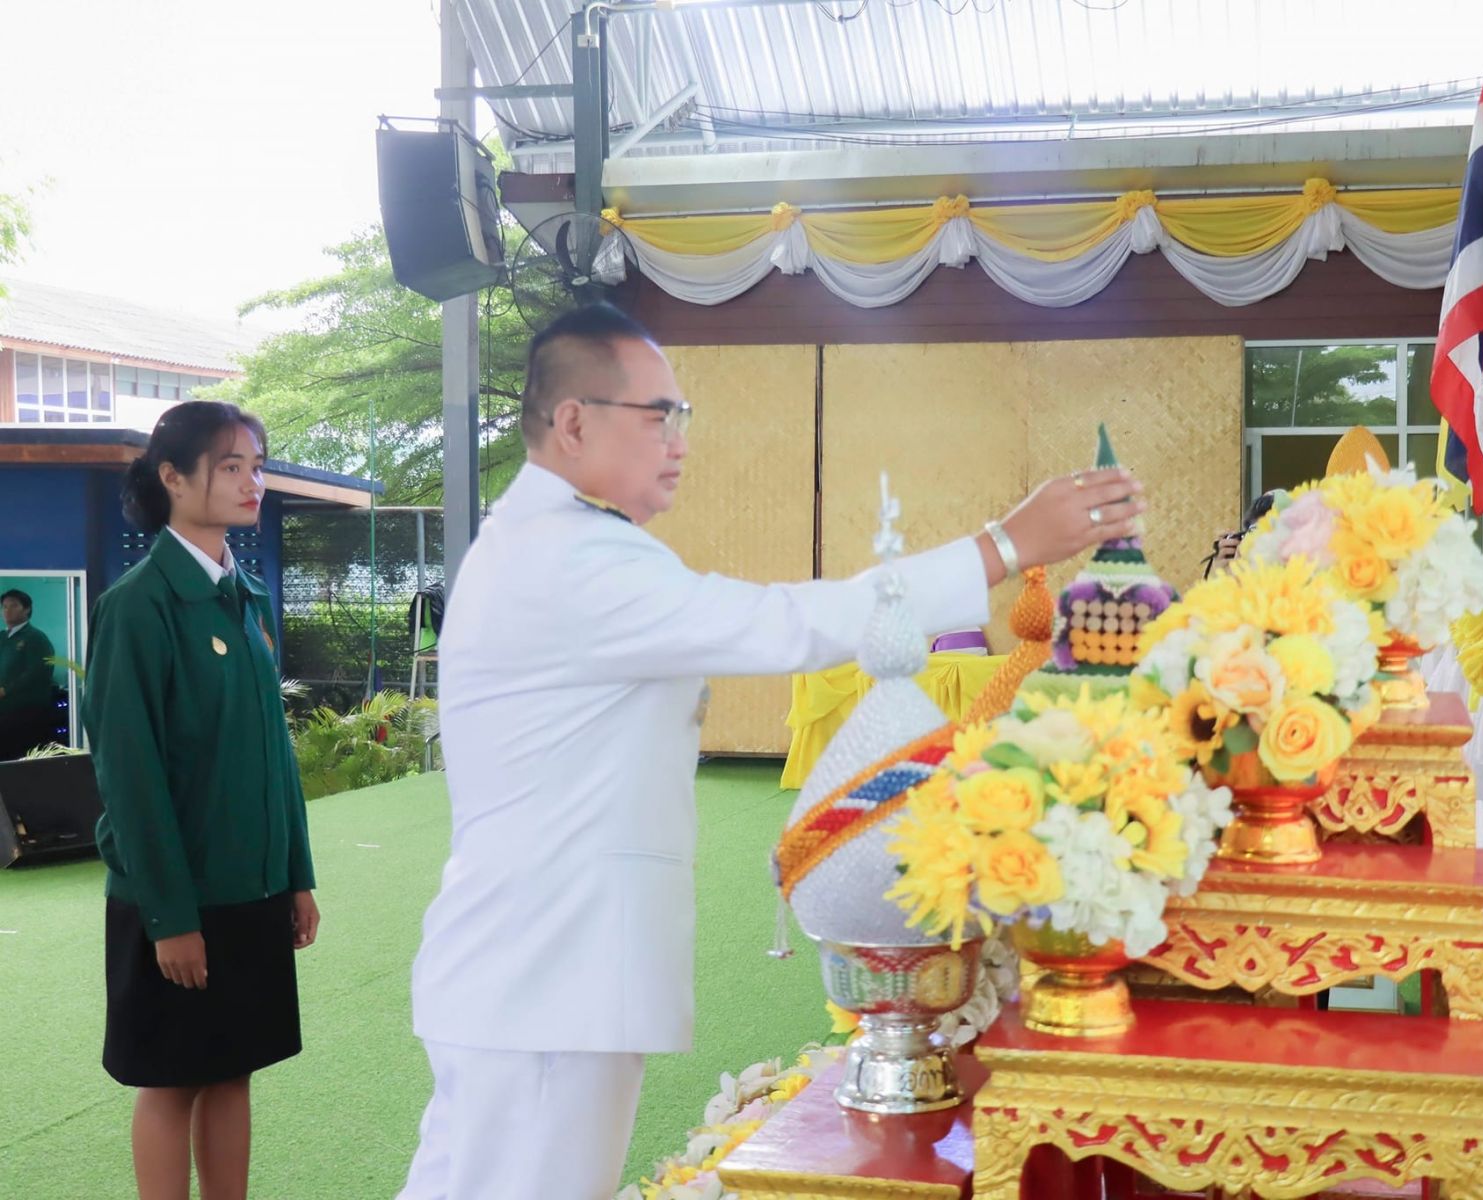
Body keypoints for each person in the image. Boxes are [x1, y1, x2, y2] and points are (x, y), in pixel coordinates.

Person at [398, 304, 1147, 1200]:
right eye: (657, 415)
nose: (679, 440)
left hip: (536, 973)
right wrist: (1004, 546)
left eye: (684, 416)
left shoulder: (555, 544)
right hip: (547, 978)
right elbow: (784, 624)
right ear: (572, 422)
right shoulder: (567, 558)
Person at [84, 401, 320, 1200]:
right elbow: (131, 775)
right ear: (173, 478)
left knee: (232, 1073)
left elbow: (271, 754)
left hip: (251, 890)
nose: (252, 481)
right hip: (177, 903)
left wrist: (297, 871)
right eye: (229, 466)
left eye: (256, 465)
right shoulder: (139, 605)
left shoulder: (242, 597)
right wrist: (170, 916)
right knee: (173, 1080)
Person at [0, 587, 57, 758]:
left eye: (13, 606)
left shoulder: (35, 638)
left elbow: (37, 672)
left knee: (22, 761)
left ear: (27, 609)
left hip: (26, 714)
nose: (7, 611)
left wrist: (6, 690)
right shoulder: (2, 637)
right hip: (4, 714)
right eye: (4, 607)